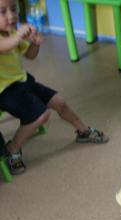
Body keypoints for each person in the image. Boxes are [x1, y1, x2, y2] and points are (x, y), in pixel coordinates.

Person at [0, 0, 108, 175]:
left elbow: (30, 56)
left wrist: (35, 42)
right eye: (2, 12)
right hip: (4, 91)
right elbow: (5, 46)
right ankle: (12, 149)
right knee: (41, 115)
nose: (11, 16)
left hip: (21, 81)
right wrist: (18, 35)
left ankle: (83, 132)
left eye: (13, 9)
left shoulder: (11, 32)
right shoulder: (11, 36)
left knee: (60, 102)